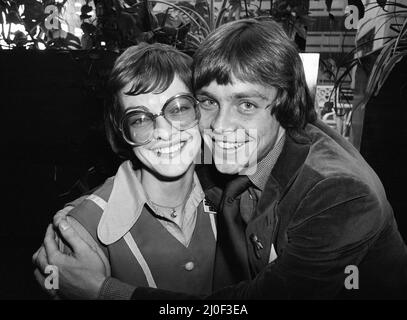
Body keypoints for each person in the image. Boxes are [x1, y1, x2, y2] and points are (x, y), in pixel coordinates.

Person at [33, 19, 407, 299]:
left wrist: (102, 292)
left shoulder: (339, 193)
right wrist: (81, 216)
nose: (220, 125)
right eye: (209, 102)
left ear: (286, 106)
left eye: (246, 104)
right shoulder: (246, 144)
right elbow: (164, 153)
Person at [33, 42, 221, 299]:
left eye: (178, 108)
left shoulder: (238, 194)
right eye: (140, 120)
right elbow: (53, 280)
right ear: (122, 131)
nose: (164, 133)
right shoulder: (82, 228)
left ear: (201, 111)